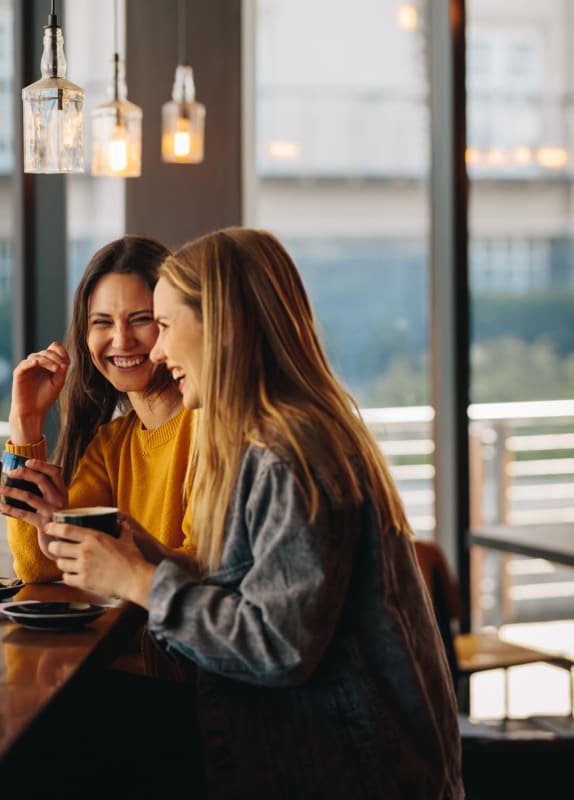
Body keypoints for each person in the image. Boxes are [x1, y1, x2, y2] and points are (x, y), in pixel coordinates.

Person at [43, 227, 464, 798]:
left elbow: (278, 646)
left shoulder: (288, 452)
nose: (159, 353)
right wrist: (150, 553)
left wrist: (139, 580)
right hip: (306, 746)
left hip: (340, 768)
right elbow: (264, 588)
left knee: (55, 737)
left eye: (163, 326)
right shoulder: (265, 438)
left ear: (221, 326)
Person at [0, 235, 194, 584]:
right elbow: (39, 567)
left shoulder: (208, 427)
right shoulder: (111, 445)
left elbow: (206, 570)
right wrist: (25, 423)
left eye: (140, 319)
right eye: (102, 322)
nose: (121, 340)